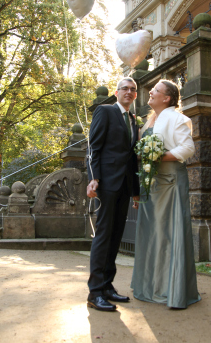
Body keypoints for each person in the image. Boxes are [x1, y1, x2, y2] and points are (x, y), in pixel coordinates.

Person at [131, 79, 201, 309]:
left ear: (167, 98)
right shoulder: (148, 120)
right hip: (151, 181)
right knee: (152, 232)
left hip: (170, 180)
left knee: (171, 232)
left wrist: (158, 156)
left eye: (156, 91)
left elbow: (188, 149)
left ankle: (174, 291)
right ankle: (150, 287)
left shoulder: (178, 118)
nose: (150, 92)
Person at [86, 77, 140, 312]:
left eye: (133, 89)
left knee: (116, 236)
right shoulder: (105, 111)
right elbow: (94, 147)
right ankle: (95, 292)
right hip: (106, 182)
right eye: (125, 89)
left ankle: (107, 286)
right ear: (117, 92)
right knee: (104, 235)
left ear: (136, 95)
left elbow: (132, 158)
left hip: (125, 185)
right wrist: (93, 178)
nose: (129, 92)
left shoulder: (133, 120)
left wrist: (136, 191)